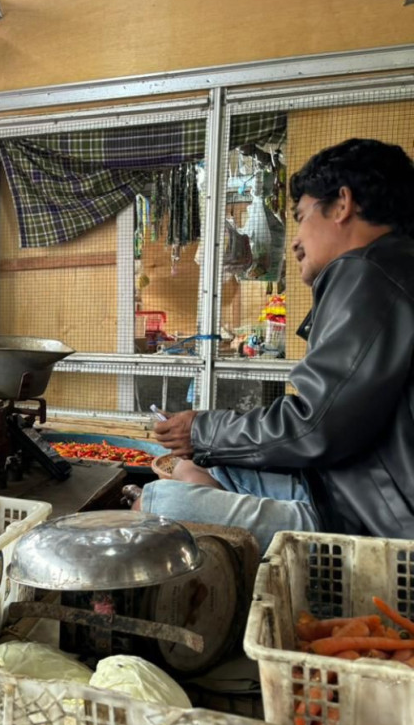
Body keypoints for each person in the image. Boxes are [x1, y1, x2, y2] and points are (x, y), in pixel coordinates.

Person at [136, 139, 414, 550]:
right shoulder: (395, 268)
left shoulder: (366, 272)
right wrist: (207, 440)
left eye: (301, 218)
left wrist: (203, 429)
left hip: (372, 521)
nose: (297, 240)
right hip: (352, 490)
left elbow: (315, 425)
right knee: (197, 468)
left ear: (342, 205)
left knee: (158, 500)